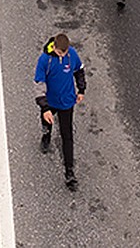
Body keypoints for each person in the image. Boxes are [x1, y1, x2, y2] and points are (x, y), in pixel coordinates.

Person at [35, 33, 86, 191]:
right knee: (46, 122)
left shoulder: (72, 54)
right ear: (54, 47)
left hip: (67, 102)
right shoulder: (45, 60)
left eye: (65, 53)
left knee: (67, 135)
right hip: (50, 102)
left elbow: (79, 70)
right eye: (59, 53)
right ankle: (46, 134)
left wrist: (81, 89)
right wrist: (45, 108)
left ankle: (69, 172)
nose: (62, 55)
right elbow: (39, 83)